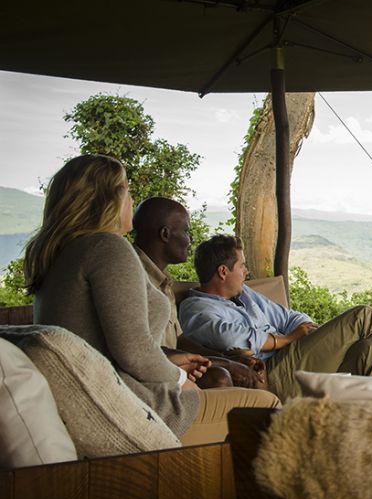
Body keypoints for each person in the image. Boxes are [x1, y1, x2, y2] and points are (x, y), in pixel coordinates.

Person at [24, 154, 279, 445]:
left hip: (110, 398)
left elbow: (111, 344)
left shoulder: (65, 255)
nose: (131, 200)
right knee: (269, 408)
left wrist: (175, 362)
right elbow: (134, 352)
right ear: (108, 198)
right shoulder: (107, 248)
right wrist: (181, 380)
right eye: (127, 190)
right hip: (135, 408)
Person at [179, 234, 372, 400]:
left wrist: (309, 335)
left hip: (295, 360)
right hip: (271, 375)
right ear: (223, 272)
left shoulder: (245, 294)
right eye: (242, 266)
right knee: (363, 316)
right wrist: (287, 339)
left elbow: (288, 317)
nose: (246, 271)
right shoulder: (196, 308)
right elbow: (229, 337)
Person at [131, 197, 265, 390]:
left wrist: (226, 358)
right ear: (165, 234)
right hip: (152, 379)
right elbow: (143, 351)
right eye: (186, 231)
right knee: (220, 377)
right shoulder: (134, 278)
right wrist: (226, 364)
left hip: (173, 364)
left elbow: (179, 339)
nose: (190, 239)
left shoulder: (162, 281)